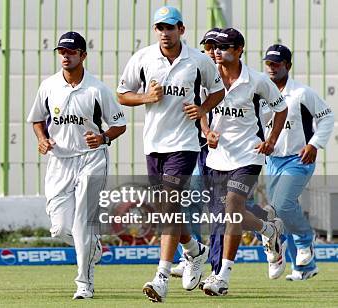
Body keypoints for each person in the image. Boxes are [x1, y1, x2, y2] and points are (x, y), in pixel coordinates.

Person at [116, 6, 225, 302]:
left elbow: (218, 92)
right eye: (160, 27)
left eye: (170, 27)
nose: (165, 33)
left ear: (182, 29)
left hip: (185, 144)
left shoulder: (199, 61)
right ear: (155, 31)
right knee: (168, 209)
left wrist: (202, 109)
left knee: (168, 201)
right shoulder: (142, 58)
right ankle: (194, 250)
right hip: (153, 144)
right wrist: (145, 98)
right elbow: (122, 94)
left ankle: (161, 277)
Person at [27, 31, 126, 299]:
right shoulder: (48, 86)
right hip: (60, 161)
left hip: (91, 159)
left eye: (71, 52)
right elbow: (37, 119)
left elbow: (119, 124)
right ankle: (91, 246)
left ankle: (84, 283)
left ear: (83, 55)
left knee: (83, 220)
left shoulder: (97, 89)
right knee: (60, 227)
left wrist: (103, 137)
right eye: (62, 52)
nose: (65, 56)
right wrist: (42, 139)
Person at [201, 28, 288, 296]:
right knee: (228, 214)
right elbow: (201, 107)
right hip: (218, 156)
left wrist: (271, 140)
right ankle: (267, 228)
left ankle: (222, 276)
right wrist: (207, 132)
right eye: (215, 47)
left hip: (249, 154)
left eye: (224, 47)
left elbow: (281, 108)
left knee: (232, 206)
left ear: (239, 50)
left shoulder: (257, 80)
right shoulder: (208, 77)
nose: (217, 51)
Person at [262, 44, 334, 281]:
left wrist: (314, 144)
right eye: (269, 64)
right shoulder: (261, 94)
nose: (272, 68)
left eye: (277, 64)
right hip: (273, 161)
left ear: (288, 66)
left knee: (282, 204)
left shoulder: (302, 93)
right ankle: (304, 267)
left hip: (299, 159)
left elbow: (327, 117)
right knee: (279, 214)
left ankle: (306, 240)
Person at [170, 27, 221, 279]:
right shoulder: (196, 71)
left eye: (216, 47)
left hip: (224, 152)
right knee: (190, 202)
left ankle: (268, 231)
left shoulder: (234, 80)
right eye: (208, 47)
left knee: (227, 206)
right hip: (196, 147)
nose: (212, 52)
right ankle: (192, 254)